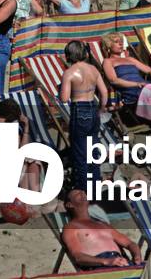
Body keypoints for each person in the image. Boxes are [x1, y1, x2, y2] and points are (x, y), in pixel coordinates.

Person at [60, 40, 108, 190]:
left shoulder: (69, 73)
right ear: (84, 53)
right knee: (93, 148)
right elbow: (104, 92)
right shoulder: (93, 69)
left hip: (79, 109)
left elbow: (64, 98)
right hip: (93, 108)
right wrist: (101, 109)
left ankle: (84, 189)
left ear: (68, 56)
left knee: (80, 153)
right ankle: (95, 183)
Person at [62, 189, 142, 269]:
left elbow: (130, 244)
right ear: (69, 204)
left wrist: (137, 257)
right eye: (77, 193)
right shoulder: (70, 227)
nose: (82, 192)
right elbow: (78, 257)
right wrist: (107, 261)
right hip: (100, 265)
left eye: (83, 192)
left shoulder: (103, 224)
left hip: (121, 263)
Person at [100, 32, 151, 123]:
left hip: (143, 86)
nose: (121, 43)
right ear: (108, 45)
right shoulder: (108, 62)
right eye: (116, 42)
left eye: (121, 41)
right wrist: (136, 84)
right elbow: (114, 80)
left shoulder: (130, 59)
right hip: (128, 90)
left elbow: (150, 70)